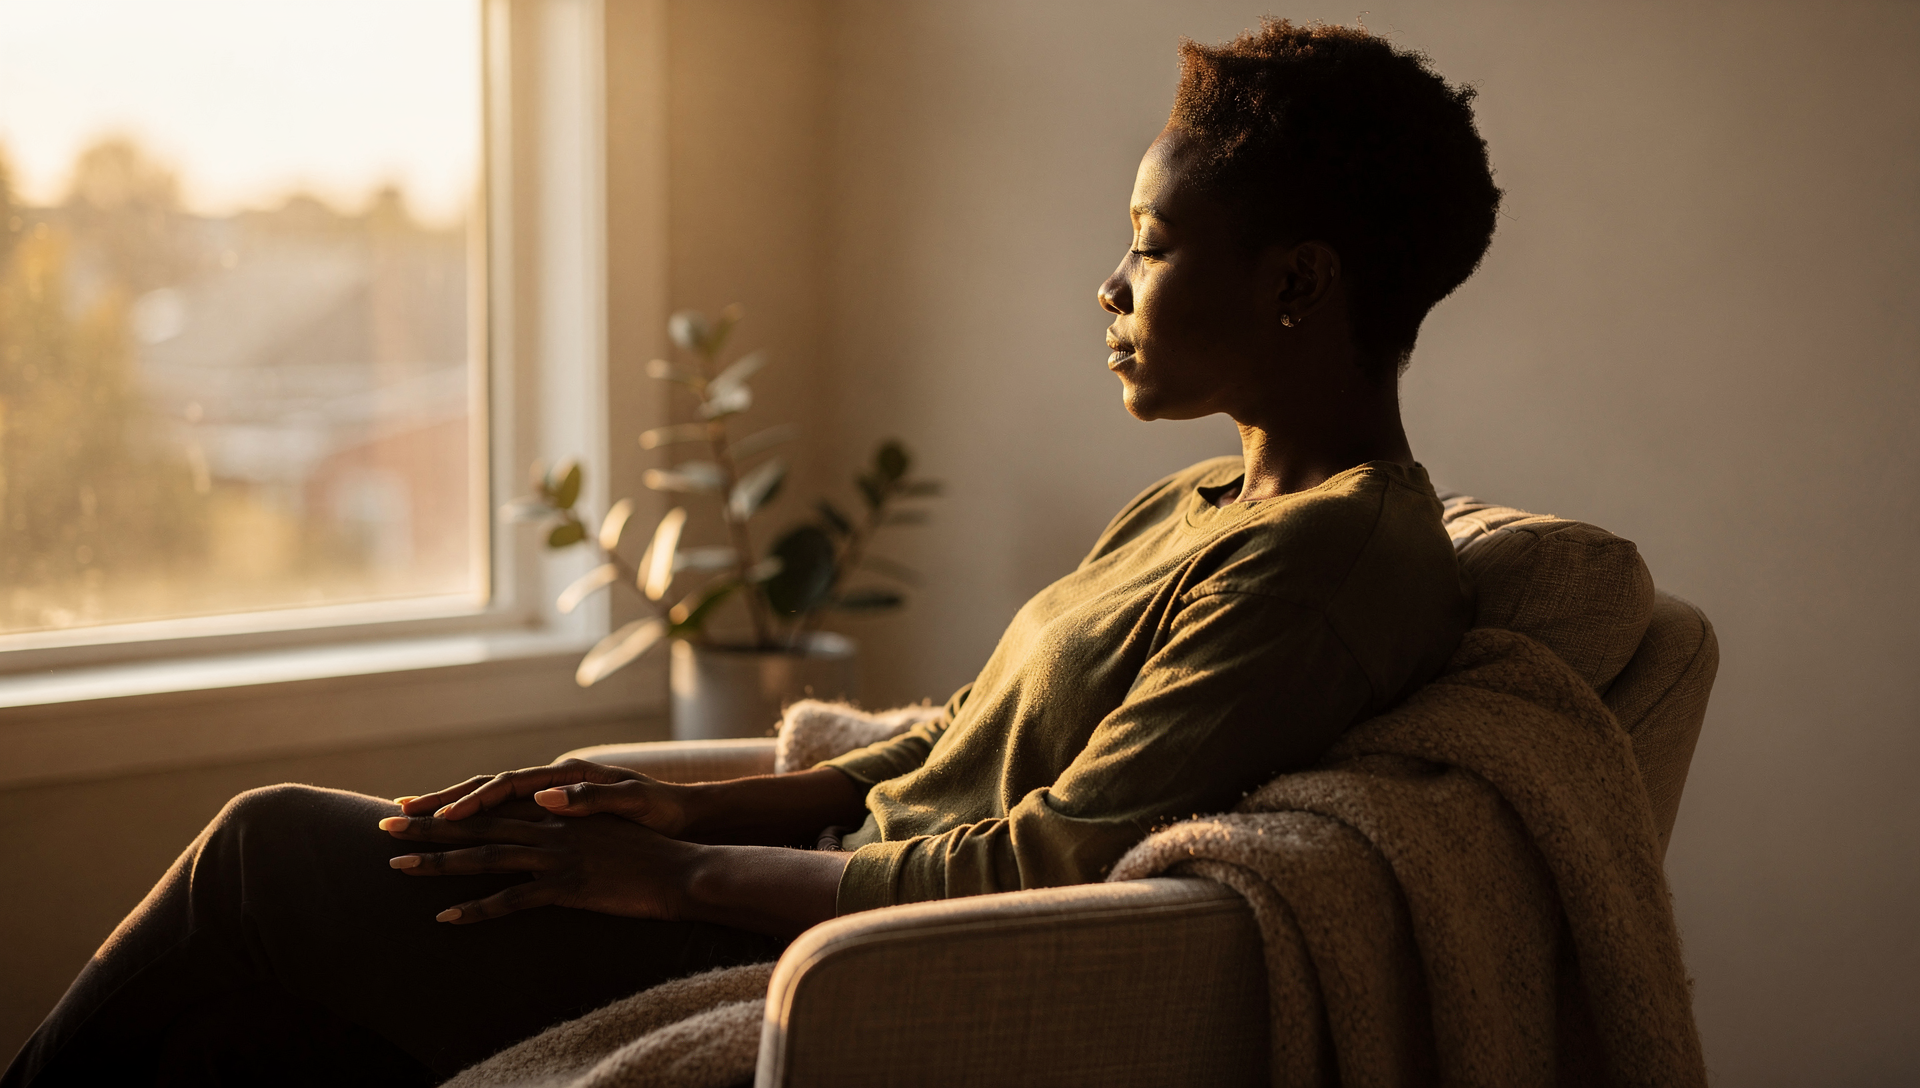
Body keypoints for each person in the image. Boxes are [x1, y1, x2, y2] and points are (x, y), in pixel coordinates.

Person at [5, 19, 1500, 1087]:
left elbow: (1046, 863)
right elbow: (953, 751)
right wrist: (666, 806)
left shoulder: (1325, 570)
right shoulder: (1196, 506)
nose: (1110, 284)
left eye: (1154, 246)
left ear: (1300, 285)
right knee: (238, 1029)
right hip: (768, 875)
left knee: (263, 853)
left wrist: (671, 881)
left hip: (829, 949)